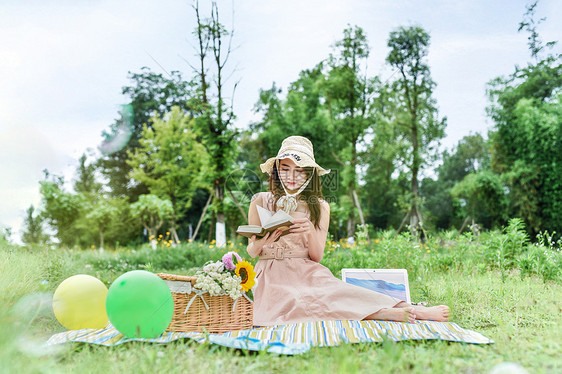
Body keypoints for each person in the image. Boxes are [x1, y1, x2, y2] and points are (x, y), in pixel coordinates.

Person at [246, 136, 449, 326]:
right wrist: (265, 240)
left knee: (340, 292)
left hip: (306, 271)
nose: (291, 176)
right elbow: (252, 252)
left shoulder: (320, 206)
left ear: (309, 174)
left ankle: (411, 308)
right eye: (285, 168)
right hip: (270, 273)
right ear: (276, 170)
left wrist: (310, 231)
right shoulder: (260, 200)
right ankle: (381, 313)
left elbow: (316, 256)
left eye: (299, 170)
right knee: (298, 302)